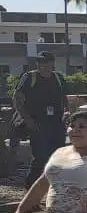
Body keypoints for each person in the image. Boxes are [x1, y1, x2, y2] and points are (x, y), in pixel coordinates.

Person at [13, 52, 69, 189]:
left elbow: (65, 98)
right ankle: (30, 189)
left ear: (52, 63)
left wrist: (67, 113)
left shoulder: (58, 78)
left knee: (58, 158)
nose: (42, 65)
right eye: (39, 62)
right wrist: (28, 119)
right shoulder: (30, 77)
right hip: (37, 124)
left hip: (56, 124)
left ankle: (54, 189)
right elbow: (17, 98)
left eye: (45, 62)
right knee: (40, 158)